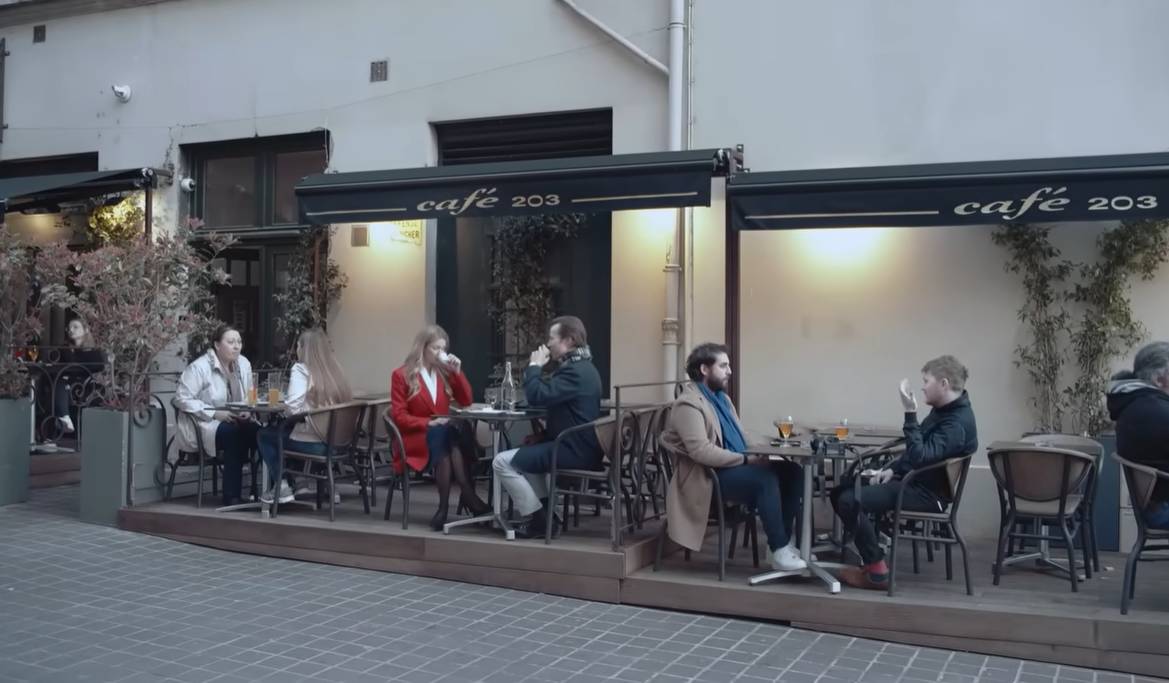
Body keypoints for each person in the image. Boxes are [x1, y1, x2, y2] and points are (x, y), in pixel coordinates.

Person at [831, 354, 978, 590]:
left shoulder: (956, 423)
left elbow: (920, 455)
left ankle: (876, 571)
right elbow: (918, 451)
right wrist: (893, 470)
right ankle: (872, 558)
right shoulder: (945, 410)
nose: (922, 387)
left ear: (944, 384)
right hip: (914, 482)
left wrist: (910, 412)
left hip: (928, 495)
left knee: (850, 500)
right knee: (841, 491)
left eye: (926, 381)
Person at [660, 343, 807, 571]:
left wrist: (772, 446)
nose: (729, 371)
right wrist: (747, 460)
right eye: (723, 365)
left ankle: (779, 545)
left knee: (793, 472)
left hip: (732, 468)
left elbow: (741, 436)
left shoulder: (722, 399)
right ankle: (779, 548)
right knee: (764, 480)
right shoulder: (687, 405)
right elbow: (702, 451)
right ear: (704, 370)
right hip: (708, 479)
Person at [493, 315, 603, 539]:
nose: (548, 343)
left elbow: (537, 396)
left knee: (501, 461)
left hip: (573, 450)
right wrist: (542, 436)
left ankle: (540, 521)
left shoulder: (575, 371)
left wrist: (534, 366)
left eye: (552, 338)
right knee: (527, 462)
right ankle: (546, 518)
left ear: (569, 340)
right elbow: (568, 412)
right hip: (577, 445)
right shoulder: (584, 368)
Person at [391, 325, 489, 530]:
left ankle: (443, 508)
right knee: (448, 436)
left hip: (442, 436)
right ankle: (468, 496)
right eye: (435, 348)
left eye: (443, 349)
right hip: (416, 436)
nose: (440, 353)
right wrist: (428, 422)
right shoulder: (401, 375)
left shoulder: (445, 373)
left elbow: (466, 400)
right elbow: (399, 417)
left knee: (448, 437)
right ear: (422, 348)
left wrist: (457, 373)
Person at [255, 328, 353, 505]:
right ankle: (304, 483)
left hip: (316, 445)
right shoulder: (336, 371)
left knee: (266, 435)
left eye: (298, 346)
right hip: (339, 444)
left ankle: (282, 485)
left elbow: (293, 408)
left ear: (304, 348)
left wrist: (282, 408)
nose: (296, 350)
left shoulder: (301, 370)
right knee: (287, 431)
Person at [174, 325, 259, 507]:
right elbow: (181, 398)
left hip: (237, 420)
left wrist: (248, 409)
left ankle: (265, 492)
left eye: (239, 342)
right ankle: (231, 496)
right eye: (230, 342)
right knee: (234, 435)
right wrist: (214, 413)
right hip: (205, 423)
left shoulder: (243, 363)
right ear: (217, 345)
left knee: (262, 433)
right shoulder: (199, 367)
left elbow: (250, 393)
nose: (236, 346)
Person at [1107, 341, 1169, 529]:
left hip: (1154, 505)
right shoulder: (1156, 411)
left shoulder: (1134, 405)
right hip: (1162, 508)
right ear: (1159, 379)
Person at [53, 317, 104, 434]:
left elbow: (97, 367)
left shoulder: (93, 351)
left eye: (75, 327)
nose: (71, 330)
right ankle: (59, 423)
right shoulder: (65, 349)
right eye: (69, 328)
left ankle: (62, 420)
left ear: (85, 330)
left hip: (84, 387)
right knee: (54, 383)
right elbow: (62, 367)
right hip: (67, 383)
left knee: (60, 383)